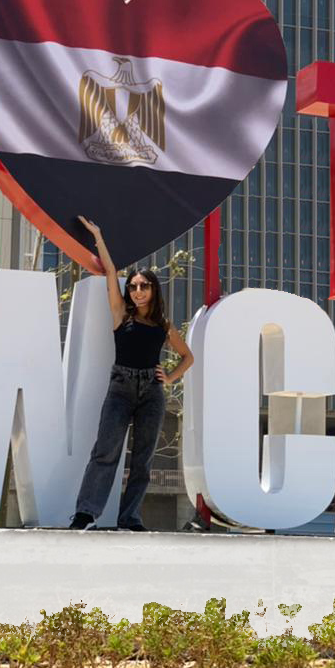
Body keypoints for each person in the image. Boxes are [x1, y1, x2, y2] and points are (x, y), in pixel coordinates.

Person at [69, 216, 194, 531]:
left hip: (151, 392)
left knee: (143, 459)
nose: (137, 291)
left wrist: (170, 377)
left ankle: (130, 518)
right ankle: (86, 514)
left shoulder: (163, 325)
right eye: (134, 287)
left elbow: (188, 357)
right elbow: (111, 272)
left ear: (153, 290)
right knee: (106, 451)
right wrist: (98, 236)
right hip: (121, 388)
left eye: (143, 286)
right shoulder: (120, 314)